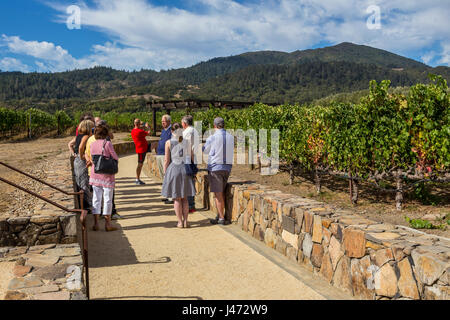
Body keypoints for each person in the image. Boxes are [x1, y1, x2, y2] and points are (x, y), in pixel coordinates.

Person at [161, 123, 196, 228]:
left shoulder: (168, 142)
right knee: (185, 198)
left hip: (174, 169)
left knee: (176, 198)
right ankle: (186, 221)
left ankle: (180, 222)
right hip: (185, 169)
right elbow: (191, 158)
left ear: (172, 131)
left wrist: (165, 173)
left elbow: (167, 160)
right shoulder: (186, 142)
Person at [86, 119, 122, 220]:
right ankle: (107, 223)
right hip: (107, 175)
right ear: (105, 134)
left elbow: (91, 157)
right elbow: (115, 157)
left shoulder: (92, 144)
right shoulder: (107, 144)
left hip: (95, 174)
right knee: (107, 199)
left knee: (96, 198)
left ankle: (96, 223)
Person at [202, 117, 234, 225]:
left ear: (214, 125)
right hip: (227, 167)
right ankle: (220, 214)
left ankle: (221, 218)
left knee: (218, 194)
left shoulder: (213, 137)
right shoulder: (231, 137)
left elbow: (205, 151)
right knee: (222, 192)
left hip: (215, 168)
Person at [70, 119, 95, 212]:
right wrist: (82, 156)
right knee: (84, 183)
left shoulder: (77, 136)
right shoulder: (85, 136)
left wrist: (75, 154)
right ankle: (88, 205)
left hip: (77, 161)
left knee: (80, 182)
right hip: (81, 161)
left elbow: (70, 144)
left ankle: (84, 204)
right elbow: (81, 147)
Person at [181, 115, 199, 213]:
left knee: (188, 183)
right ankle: (190, 204)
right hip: (192, 158)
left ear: (185, 123)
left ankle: (190, 205)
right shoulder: (194, 131)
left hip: (188, 159)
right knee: (190, 182)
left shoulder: (187, 132)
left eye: (182, 123)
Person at [155, 115, 173, 204]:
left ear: (169, 121)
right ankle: (167, 195)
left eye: (164, 121)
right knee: (163, 177)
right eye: (162, 121)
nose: (162, 123)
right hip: (160, 155)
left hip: (166, 156)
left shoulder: (171, 131)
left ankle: (171, 197)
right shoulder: (163, 131)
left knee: (168, 177)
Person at [131, 119, 151, 185]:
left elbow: (139, 129)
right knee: (140, 164)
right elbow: (149, 133)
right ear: (139, 124)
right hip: (141, 150)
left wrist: (142, 125)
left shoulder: (133, 131)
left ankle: (137, 179)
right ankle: (137, 179)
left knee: (155, 144)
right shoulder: (140, 131)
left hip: (143, 148)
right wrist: (148, 127)